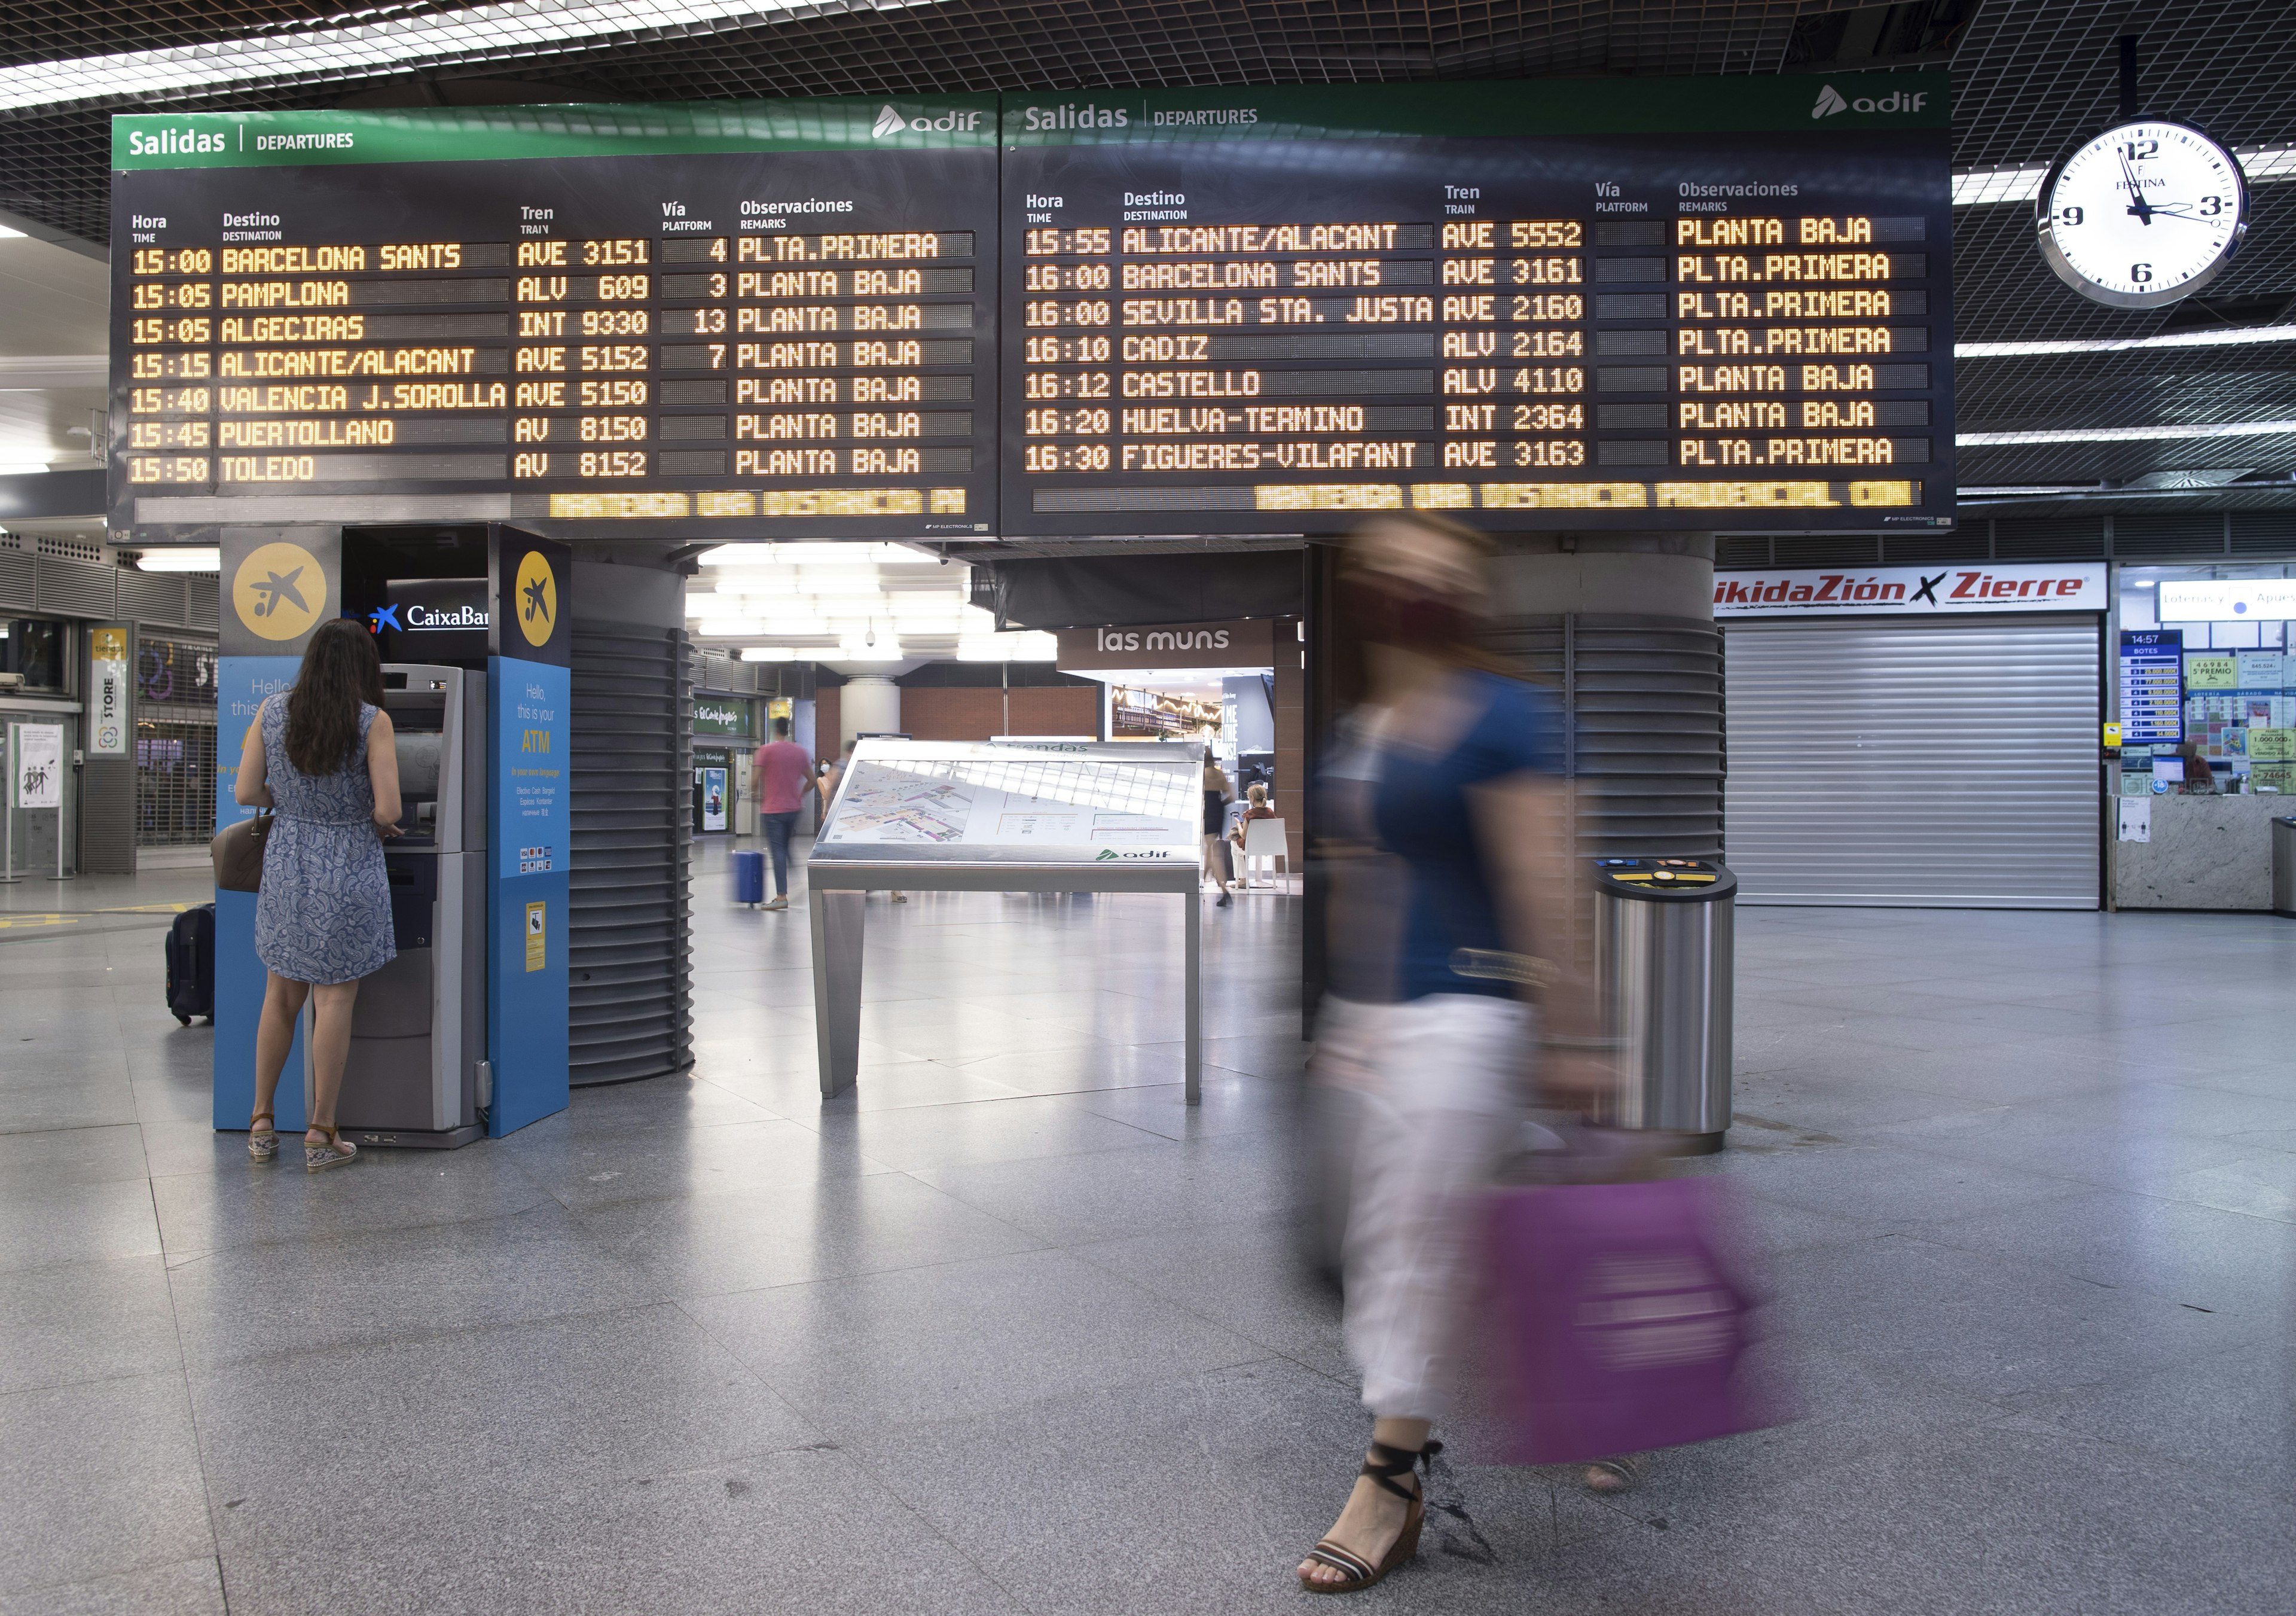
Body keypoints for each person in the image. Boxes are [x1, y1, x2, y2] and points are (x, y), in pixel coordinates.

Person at [1296, 513, 1611, 1594]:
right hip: (1378, 1024)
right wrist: (1339, 1027)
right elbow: (1365, 883)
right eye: (1392, 566)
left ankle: (1391, 1477)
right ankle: (1592, 1384)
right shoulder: (1366, 725)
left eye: (1435, 569)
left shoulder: (1509, 716)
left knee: (1410, 1246)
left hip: (1470, 1010)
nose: (1409, 583)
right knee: (1443, 1233)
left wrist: (1573, 1032)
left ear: (1470, 594)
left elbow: (1548, 882)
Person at [236, 618, 402, 1172]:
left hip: (287, 863)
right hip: (348, 864)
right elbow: (389, 810)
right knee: (334, 999)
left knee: (280, 998)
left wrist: (297, 803)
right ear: (364, 666)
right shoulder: (371, 720)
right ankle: (321, 1131)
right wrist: (354, 816)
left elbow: (245, 791)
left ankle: (261, 1122)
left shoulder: (273, 711)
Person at [820, 737, 904, 901]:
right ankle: (858, 884)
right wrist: (827, 811)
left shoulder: (865, 769)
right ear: (849, 753)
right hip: (844, 817)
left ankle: (872, 884)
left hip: (861, 815)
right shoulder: (842, 766)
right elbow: (831, 790)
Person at [751, 715, 817, 911]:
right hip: (794, 809)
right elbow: (812, 781)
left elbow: (754, 781)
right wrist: (799, 795)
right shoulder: (800, 752)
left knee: (778, 850)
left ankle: (781, 896)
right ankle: (794, 878)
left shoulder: (766, 751)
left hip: (773, 810)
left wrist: (756, 794)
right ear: (788, 730)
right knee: (786, 846)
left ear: (775, 731)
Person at [1201, 736, 1235, 907]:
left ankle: (1223, 889)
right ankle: (1204, 885)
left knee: (1214, 853)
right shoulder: (1219, 773)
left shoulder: (1202, 774)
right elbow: (1231, 796)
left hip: (1208, 813)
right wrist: (1220, 804)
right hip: (1219, 811)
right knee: (1211, 850)